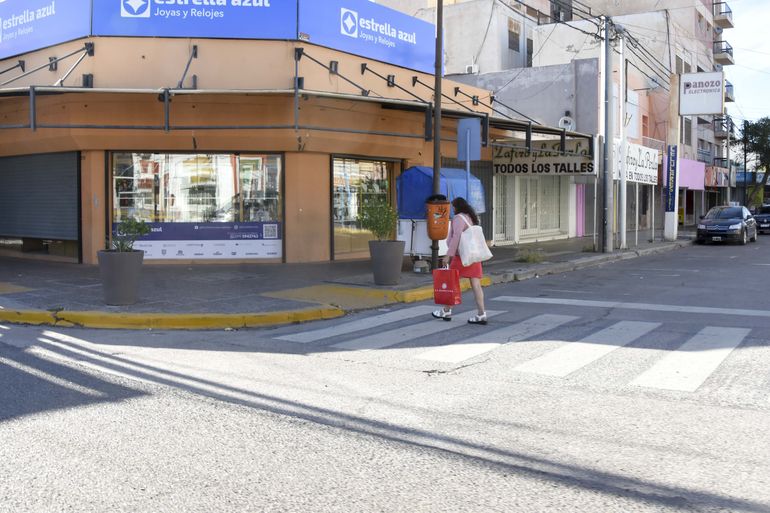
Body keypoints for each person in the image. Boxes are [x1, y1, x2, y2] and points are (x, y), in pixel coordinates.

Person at [432, 197, 487, 325]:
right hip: (473, 255)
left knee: (451, 283)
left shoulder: (458, 218)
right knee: (476, 285)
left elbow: (456, 237)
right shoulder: (470, 217)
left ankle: (446, 311)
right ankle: (481, 314)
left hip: (461, 256)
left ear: (457, 207)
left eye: (453, 207)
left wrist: (448, 255)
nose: (452, 209)